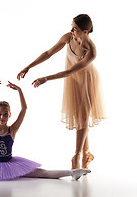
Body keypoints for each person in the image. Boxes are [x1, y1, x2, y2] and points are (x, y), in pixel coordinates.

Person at [17, 14, 107, 169]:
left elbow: (69, 71)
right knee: (79, 117)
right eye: (71, 26)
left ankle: (76, 156)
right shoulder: (68, 37)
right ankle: (86, 153)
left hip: (86, 80)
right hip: (73, 80)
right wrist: (29, 67)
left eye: (75, 28)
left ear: (85, 32)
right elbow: (48, 53)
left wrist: (46, 78)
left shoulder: (91, 51)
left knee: (83, 117)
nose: (71, 30)